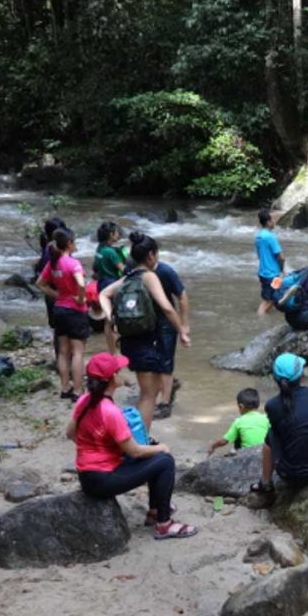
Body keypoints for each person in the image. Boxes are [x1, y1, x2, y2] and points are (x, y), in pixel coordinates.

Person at [68, 352, 197, 540]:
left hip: (86, 476)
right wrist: (161, 447)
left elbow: (70, 433)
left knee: (152, 455)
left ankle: (155, 511)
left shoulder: (83, 400)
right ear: (112, 378)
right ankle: (164, 524)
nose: (121, 375)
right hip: (103, 480)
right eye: (118, 372)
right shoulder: (111, 412)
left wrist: (97, 448)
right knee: (164, 460)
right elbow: (134, 451)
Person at [98, 232, 190, 432]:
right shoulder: (149, 276)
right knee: (148, 396)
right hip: (149, 343)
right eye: (156, 254)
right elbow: (166, 307)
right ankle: (140, 440)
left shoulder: (128, 277)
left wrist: (111, 316)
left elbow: (103, 294)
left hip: (130, 342)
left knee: (147, 392)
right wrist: (181, 330)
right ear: (150, 255)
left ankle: (141, 437)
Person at [250, 353, 308, 492]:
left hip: (294, 476)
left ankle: (265, 483)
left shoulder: (273, 405)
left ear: (275, 379)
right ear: (301, 376)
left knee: (272, 433)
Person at [35, 229, 89, 400]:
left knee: (63, 351)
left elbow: (40, 283)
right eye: (74, 241)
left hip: (59, 309)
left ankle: (65, 387)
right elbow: (81, 284)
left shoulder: (53, 263)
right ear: (69, 244)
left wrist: (57, 295)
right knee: (78, 352)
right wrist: (81, 299)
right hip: (75, 311)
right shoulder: (73, 264)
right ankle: (78, 390)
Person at [152, 254, 188, 420]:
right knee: (152, 360)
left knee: (165, 362)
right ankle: (168, 386)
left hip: (166, 322)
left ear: (152, 255)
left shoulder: (165, 271)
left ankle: (165, 403)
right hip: (146, 321)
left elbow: (182, 295)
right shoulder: (136, 269)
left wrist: (183, 325)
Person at [35, 217, 69, 359]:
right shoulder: (52, 253)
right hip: (57, 295)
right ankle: (65, 363)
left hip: (53, 295)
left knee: (59, 330)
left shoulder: (48, 250)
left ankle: (62, 361)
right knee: (63, 332)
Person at [93, 221, 126, 354]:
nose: (118, 234)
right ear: (111, 235)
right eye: (117, 232)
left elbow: (95, 268)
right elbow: (123, 269)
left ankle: (112, 350)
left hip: (102, 284)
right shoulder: (110, 252)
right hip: (112, 285)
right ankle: (116, 351)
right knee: (114, 319)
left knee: (108, 319)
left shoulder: (99, 249)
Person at [207, 388, 270, 454]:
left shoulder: (239, 421)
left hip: (247, 455)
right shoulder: (266, 418)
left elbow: (224, 441)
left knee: (236, 438)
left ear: (241, 406)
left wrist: (213, 446)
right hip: (264, 452)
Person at [255, 208, 285, 316]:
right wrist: (282, 270)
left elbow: (259, 255)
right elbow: (281, 257)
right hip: (272, 275)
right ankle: (260, 319)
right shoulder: (270, 237)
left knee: (273, 297)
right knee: (269, 300)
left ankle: (263, 317)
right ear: (268, 222)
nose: (274, 221)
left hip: (263, 273)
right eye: (273, 219)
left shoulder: (258, 236)